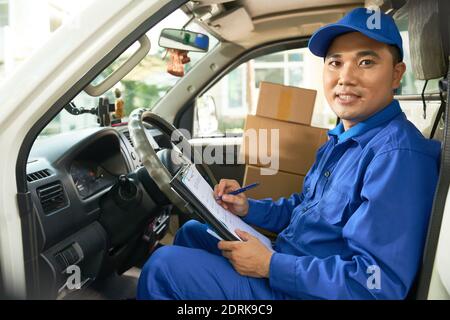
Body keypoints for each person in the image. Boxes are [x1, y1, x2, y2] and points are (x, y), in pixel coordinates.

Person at [137, 7, 441, 300]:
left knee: (163, 268)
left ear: (397, 74)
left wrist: (270, 266)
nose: (345, 77)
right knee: (192, 232)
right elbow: (304, 207)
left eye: (366, 62)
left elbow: (377, 283)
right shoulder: (341, 139)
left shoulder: (398, 157)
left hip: (305, 289)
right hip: (291, 263)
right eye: (335, 62)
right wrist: (246, 208)